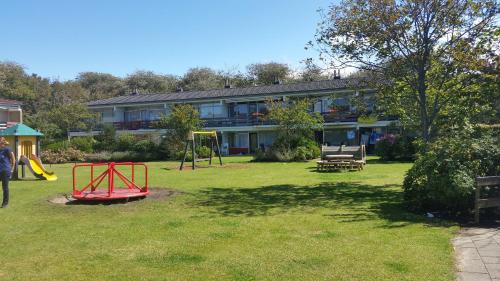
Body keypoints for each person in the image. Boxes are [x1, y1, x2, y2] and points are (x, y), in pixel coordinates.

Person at [0, 137, 15, 208]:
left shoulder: (7, 149)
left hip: (5, 170)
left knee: (5, 187)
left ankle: (5, 204)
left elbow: (13, 159)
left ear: (3, 142)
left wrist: (12, 169)